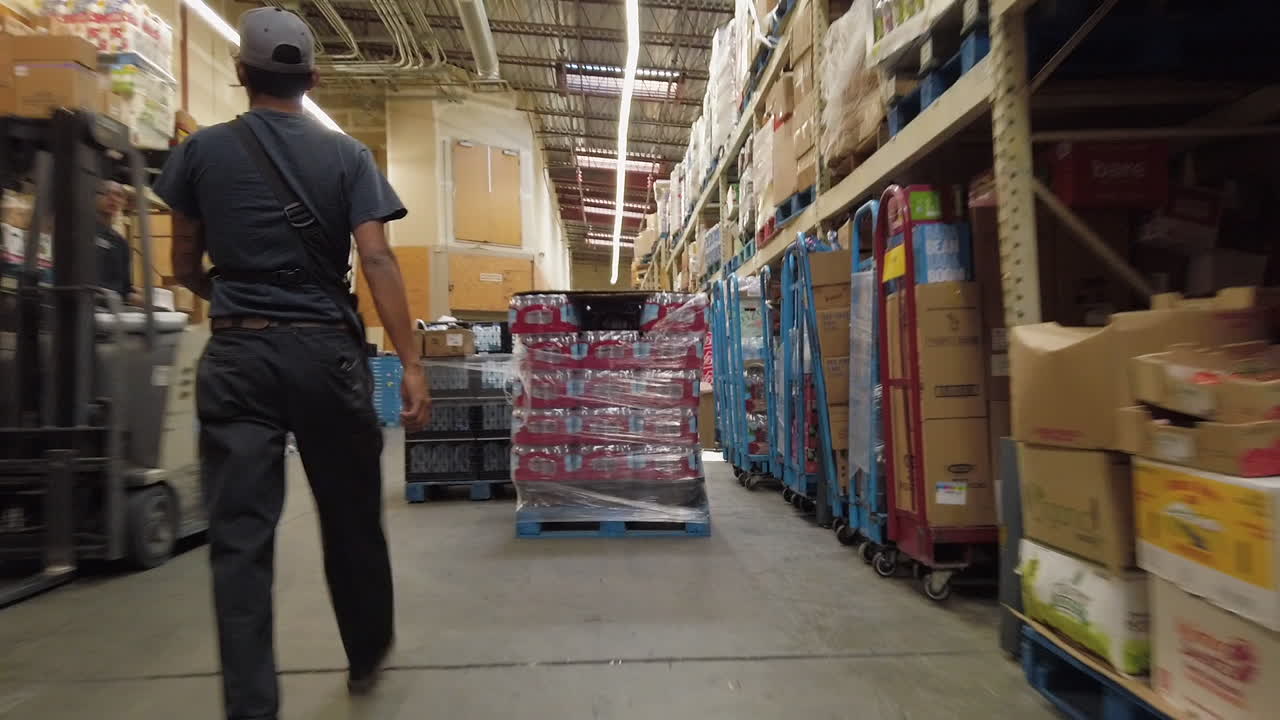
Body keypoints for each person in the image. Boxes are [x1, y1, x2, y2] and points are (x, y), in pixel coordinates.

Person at [152, 8, 430, 719]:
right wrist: (413, 364)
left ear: (242, 74)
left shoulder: (200, 151)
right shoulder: (348, 157)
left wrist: (229, 293)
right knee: (351, 516)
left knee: (239, 538)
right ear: (313, 77)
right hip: (326, 355)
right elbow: (375, 258)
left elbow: (182, 262)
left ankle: (251, 706)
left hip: (239, 354)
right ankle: (365, 654)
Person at [95, 180, 142, 306]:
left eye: (118, 195)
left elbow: (125, 290)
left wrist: (149, 304)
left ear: (123, 202)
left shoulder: (121, 244)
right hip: (89, 307)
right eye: (106, 193)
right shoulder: (82, 233)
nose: (112, 198)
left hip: (114, 309)